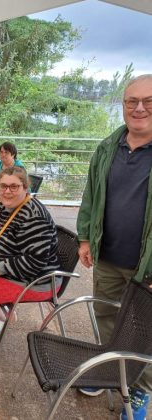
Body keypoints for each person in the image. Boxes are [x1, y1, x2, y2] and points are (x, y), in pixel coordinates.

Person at [77, 74, 152, 418]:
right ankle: (112, 374)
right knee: (107, 316)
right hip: (107, 256)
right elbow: (91, 195)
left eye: (148, 102)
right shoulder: (108, 147)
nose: (139, 108)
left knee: (145, 330)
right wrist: (84, 237)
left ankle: (139, 390)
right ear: (122, 106)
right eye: (131, 101)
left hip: (146, 265)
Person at [0, 167, 60, 339]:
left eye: (14, 187)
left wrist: (1, 268)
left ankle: (1, 314)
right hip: (0, 268)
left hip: (36, 280)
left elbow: (36, 260)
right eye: (3, 186)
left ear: (25, 188)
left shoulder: (34, 215)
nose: (7, 191)